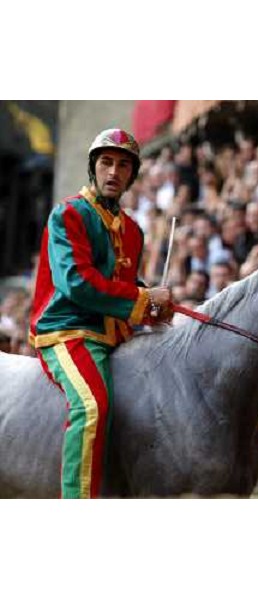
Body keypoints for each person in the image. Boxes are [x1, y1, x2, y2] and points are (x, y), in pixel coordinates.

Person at [29, 129, 173, 499]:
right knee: (92, 405)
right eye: (107, 162)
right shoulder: (68, 214)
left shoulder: (135, 231)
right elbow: (78, 283)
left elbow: (125, 282)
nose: (114, 171)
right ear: (94, 167)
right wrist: (143, 300)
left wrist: (155, 305)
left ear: (132, 175)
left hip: (118, 334)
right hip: (69, 330)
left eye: (123, 165)